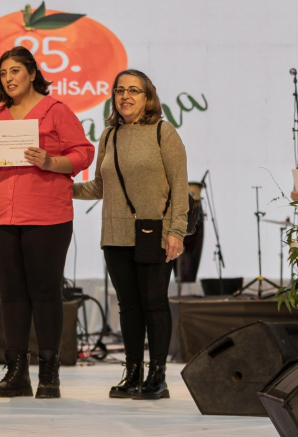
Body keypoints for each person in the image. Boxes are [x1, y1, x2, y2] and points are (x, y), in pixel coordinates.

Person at [0, 47, 94, 399]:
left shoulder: (55, 110)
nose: (8, 78)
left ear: (32, 73)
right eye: (3, 74)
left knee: (45, 294)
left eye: (15, 71)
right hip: (1, 216)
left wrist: (50, 162)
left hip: (47, 216)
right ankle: (17, 374)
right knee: (11, 296)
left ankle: (49, 374)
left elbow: (83, 152)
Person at [73, 69, 188, 400]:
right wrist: (62, 189)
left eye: (134, 90)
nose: (125, 96)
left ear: (148, 97)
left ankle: (158, 376)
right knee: (128, 306)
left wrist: (176, 231)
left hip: (154, 232)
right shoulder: (109, 136)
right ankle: (133, 373)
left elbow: (180, 186)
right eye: (119, 90)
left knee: (154, 303)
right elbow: (100, 185)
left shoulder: (163, 132)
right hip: (115, 233)